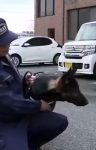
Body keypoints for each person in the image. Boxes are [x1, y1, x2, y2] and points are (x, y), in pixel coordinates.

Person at [0, 18, 68, 150]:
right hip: (6, 122)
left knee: (59, 122)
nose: (6, 45)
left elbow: (12, 78)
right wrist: (39, 106)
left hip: (20, 114)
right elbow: (9, 102)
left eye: (6, 41)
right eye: (1, 43)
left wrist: (25, 80)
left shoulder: (5, 56)